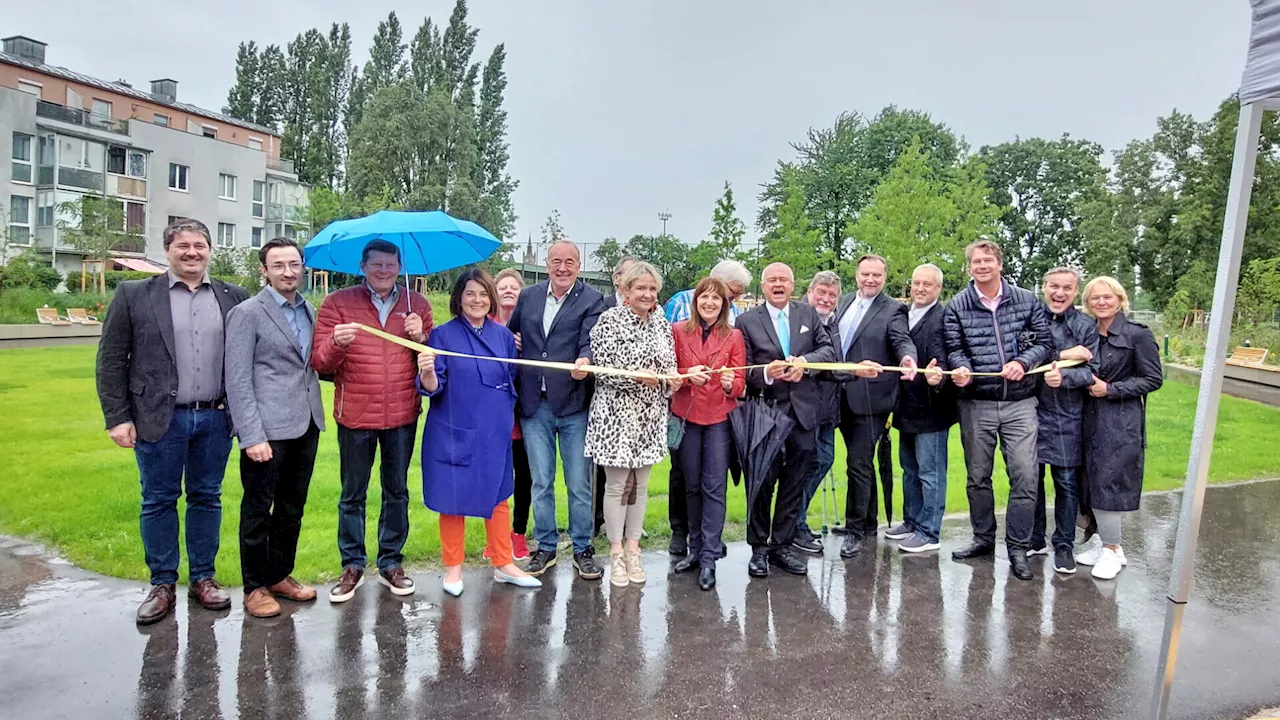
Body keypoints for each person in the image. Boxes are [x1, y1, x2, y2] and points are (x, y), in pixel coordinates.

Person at [95, 218, 249, 625]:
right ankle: (162, 583)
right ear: (168, 250)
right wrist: (117, 417)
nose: (192, 253)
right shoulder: (134, 295)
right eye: (183, 246)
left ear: (210, 250)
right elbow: (111, 360)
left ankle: (203, 577)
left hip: (215, 419)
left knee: (206, 497)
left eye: (199, 246)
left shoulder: (233, 297)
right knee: (159, 499)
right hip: (158, 419)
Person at [312, 239, 433, 602]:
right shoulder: (338, 303)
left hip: (401, 413)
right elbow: (320, 363)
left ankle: (391, 562)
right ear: (363, 266)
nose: (384, 271)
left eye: (390, 265)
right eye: (376, 264)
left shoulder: (418, 305)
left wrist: (420, 336)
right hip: (356, 415)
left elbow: (430, 362)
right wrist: (336, 342)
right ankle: (352, 564)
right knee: (353, 494)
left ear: (400, 267)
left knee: (397, 491)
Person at [417, 269, 542, 596]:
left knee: (498, 496)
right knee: (453, 498)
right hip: (454, 428)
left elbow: (513, 378)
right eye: (470, 294)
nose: (477, 300)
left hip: (495, 429)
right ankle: (453, 569)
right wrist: (427, 370)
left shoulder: (503, 336)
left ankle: (504, 564)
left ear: (492, 299)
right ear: (458, 298)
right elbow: (433, 387)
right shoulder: (442, 335)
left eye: (483, 294)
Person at [224, 237, 327, 618]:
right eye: (279, 265)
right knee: (257, 510)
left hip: (306, 424)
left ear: (303, 268)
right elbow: (236, 379)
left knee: (291, 508)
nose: (288, 272)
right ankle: (254, 587)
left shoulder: (309, 311)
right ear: (264, 270)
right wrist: (251, 435)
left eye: (294, 265)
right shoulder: (248, 313)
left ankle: (280, 574)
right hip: (265, 431)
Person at [943, 239, 1053, 581]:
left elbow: (1044, 342)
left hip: (1020, 403)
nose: (982, 266)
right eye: (976, 261)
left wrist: (1023, 361)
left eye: (988, 260)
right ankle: (983, 538)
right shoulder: (957, 305)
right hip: (977, 403)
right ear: (969, 267)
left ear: (999, 264)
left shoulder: (1025, 300)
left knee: (1024, 475)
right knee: (978, 477)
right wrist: (960, 369)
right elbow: (954, 348)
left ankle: (1018, 547)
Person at [507, 240, 607, 579]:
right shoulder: (529, 296)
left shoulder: (592, 299)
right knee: (541, 480)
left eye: (569, 262)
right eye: (556, 261)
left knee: (579, 483)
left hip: (574, 403)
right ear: (546, 264)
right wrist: (513, 342)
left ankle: (583, 548)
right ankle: (545, 547)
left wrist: (586, 359)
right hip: (535, 404)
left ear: (579, 265)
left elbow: (589, 339)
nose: (562, 268)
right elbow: (511, 335)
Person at [736, 262, 838, 578]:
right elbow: (743, 368)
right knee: (762, 484)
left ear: (793, 285)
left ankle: (781, 546)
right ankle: (758, 550)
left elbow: (829, 351)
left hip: (803, 413)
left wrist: (805, 363)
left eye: (784, 280)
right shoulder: (746, 321)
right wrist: (768, 372)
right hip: (765, 413)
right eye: (772, 280)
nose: (778, 284)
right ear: (763, 286)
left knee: (794, 484)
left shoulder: (807, 315)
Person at [585, 261, 680, 588]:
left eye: (652, 289)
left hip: (650, 416)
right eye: (641, 288)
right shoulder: (607, 321)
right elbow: (604, 370)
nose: (648, 294)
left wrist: (672, 383)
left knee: (639, 486)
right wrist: (638, 378)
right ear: (625, 291)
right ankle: (614, 552)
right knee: (617, 486)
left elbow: (669, 366)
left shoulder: (662, 322)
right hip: (615, 416)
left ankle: (633, 548)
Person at [662, 258, 752, 555]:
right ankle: (692, 541)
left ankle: (710, 551)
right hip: (685, 415)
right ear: (696, 299)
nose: (711, 302)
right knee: (689, 482)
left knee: (714, 485)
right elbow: (669, 372)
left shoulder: (734, 334)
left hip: (718, 418)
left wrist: (730, 384)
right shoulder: (677, 329)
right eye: (706, 296)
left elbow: (739, 381)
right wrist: (686, 378)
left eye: (718, 297)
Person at [832, 254, 918, 559]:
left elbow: (901, 341)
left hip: (871, 399)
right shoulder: (843, 302)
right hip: (837, 394)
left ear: (885, 278)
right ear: (856, 275)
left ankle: (855, 531)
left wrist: (908, 358)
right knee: (860, 464)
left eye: (877, 276)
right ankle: (867, 522)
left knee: (858, 463)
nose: (870, 280)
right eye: (865, 274)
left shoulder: (894, 309)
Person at [1077, 277, 1162, 580]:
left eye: (1107, 297)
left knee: (1109, 482)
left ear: (1120, 299)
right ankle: (1105, 543)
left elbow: (1153, 378)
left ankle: (1112, 550)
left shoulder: (1137, 335)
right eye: (1095, 298)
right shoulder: (1087, 334)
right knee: (1089, 481)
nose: (1101, 302)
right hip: (1088, 418)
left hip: (1120, 420)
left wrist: (1111, 389)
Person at [1031, 267, 1100, 575]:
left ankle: (1064, 544)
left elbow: (1092, 371)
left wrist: (1065, 378)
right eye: (1054, 286)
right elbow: (1022, 354)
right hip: (1030, 409)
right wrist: (1063, 353)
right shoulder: (1031, 318)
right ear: (1044, 287)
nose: (1059, 293)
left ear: (1075, 292)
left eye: (1066, 288)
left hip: (1068, 414)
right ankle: (1033, 539)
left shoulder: (1086, 326)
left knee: (1066, 482)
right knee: (1029, 480)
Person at [891, 264, 956, 553]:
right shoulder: (903, 314)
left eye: (927, 284)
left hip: (932, 407)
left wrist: (938, 374)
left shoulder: (943, 318)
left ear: (938, 289)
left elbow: (947, 355)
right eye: (916, 283)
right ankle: (912, 520)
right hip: (905, 407)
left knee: (931, 473)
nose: (920, 288)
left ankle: (929, 531)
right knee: (909, 469)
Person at [793, 270, 842, 552]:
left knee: (823, 461)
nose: (825, 299)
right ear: (809, 292)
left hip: (829, 409)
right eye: (820, 293)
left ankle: (795, 520)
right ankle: (794, 525)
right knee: (805, 466)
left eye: (831, 295)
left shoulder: (835, 322)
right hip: (803, 410)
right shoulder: (798, 318)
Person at [595, 255, 642, 539]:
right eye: (632, 278)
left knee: (637, 479)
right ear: (619, 281)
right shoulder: (602, 310)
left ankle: (631, 532)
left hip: (645, 413)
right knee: (609, 478)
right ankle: (604, 526)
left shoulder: (656, 316)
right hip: (610, 410)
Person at [493, 268, 532, 562]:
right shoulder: (486, 326)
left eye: (513, 287)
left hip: (526, 413)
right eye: (502, 287)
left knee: (524, 476)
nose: (508, 291)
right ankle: (496, 537)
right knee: (496, 476)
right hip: (494, 415)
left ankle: (518, 534)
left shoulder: (530, 326)